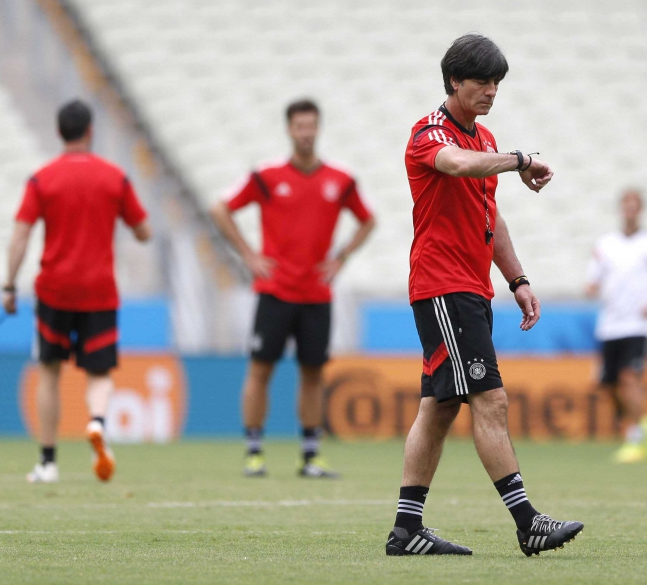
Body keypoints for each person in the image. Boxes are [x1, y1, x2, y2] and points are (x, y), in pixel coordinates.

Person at [386, 34, 583, 557]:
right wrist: (519, 159)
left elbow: (488, 217)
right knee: (489, 399)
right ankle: (528, 523)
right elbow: (455, 165)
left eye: (496, 82)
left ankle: (406, 531)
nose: (491, 90)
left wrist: (517, 279)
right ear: (454, 81)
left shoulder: (484, 138)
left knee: (439, 407)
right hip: (442, 286)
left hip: (469, 288)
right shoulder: (429, 133)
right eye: (481, 81)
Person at [210, 99, 376, 478]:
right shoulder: (266, 176)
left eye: (311, 126)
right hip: (275, 290)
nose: (306, 132)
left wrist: (342, 257)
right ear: (289, 129)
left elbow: (368, 220)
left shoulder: (340, 179)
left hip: (316, 293)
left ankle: (310, 455)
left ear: (318, 128)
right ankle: (254, 452)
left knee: (313, 373)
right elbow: (220, 209)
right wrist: (249, 255)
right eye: (300, 126)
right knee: (260, 368)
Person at [3, 99, 151, 484]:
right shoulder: (114, 177)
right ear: (91, 131)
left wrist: (9, 284)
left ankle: (48, 462)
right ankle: (97, 422)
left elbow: (21, 233)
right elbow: (144, 231)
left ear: (59, 132)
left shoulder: (42, 179)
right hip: (99, 290)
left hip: (54, 289)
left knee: (50, 371)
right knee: (99, 373)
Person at [586, 189, 647, 463]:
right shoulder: (606, 244)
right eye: (626, 206)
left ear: (640, 209)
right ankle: (638, 424)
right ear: (621, 209)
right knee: (609, 384)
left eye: (635, 206)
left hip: (637, 324)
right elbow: (592, 281)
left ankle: (636, 436)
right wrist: (592, 287)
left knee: (628, 377)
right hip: (610, 324)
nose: (630, 211)